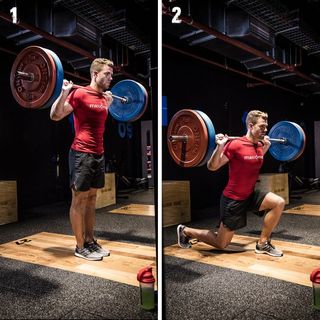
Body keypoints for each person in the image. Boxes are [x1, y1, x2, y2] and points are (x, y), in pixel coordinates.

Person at [177, 110, 285, 257]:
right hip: (233, 200)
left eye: (266, 127)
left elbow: (253, 159)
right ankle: (185, 231)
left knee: (278, 202)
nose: (265, 130)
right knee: (221, 243)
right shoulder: (235, 145)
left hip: (250, 195)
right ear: (250, 125)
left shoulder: (260, 145)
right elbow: (212, 166)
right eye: (261, 126)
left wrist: (265, 147)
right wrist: (220, 146)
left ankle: (262, 244)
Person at [50, 58, 114, 261]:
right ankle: (79, 246)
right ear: (95, 74)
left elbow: (97, 122)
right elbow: (55, 115)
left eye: (111, 75)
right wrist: (63, 93)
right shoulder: (79, 93)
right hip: (81, 154)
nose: (110, 78)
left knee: (92, 200)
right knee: (79, 200)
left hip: (98, 153)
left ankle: (90, 241)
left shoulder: (104, 97)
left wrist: (109, 104)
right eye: (107, 74)